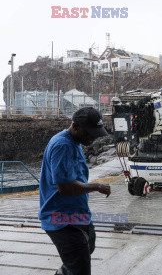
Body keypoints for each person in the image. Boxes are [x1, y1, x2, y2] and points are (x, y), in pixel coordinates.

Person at [38, 107, 111, 275]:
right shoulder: (62, 145)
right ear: (75, 126)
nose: (93, 138)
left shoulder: (75, 142)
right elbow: (65, 187)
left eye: (96, 133)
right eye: (90, 133)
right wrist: (97, 186)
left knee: (88, 245)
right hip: (61, 219)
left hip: (76, 214)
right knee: (80, 268)